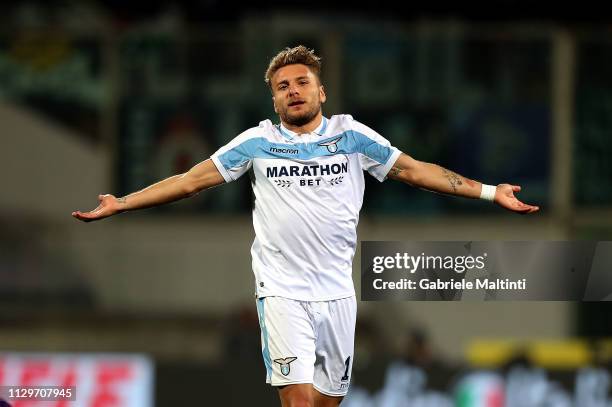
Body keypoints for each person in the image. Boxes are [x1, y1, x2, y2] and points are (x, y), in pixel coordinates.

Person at [72, 45, 539, 407]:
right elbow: (192, 180)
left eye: (301, 82)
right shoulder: (257, 141)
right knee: (297, 398)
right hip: (281, 290)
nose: (292, 90)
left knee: (326, 400)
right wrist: (123, 203)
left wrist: (487, 190)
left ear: (322, 92)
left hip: (337, 292)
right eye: (282, 86)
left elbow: (416, 170)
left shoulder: (351, 137)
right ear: (273, 98)